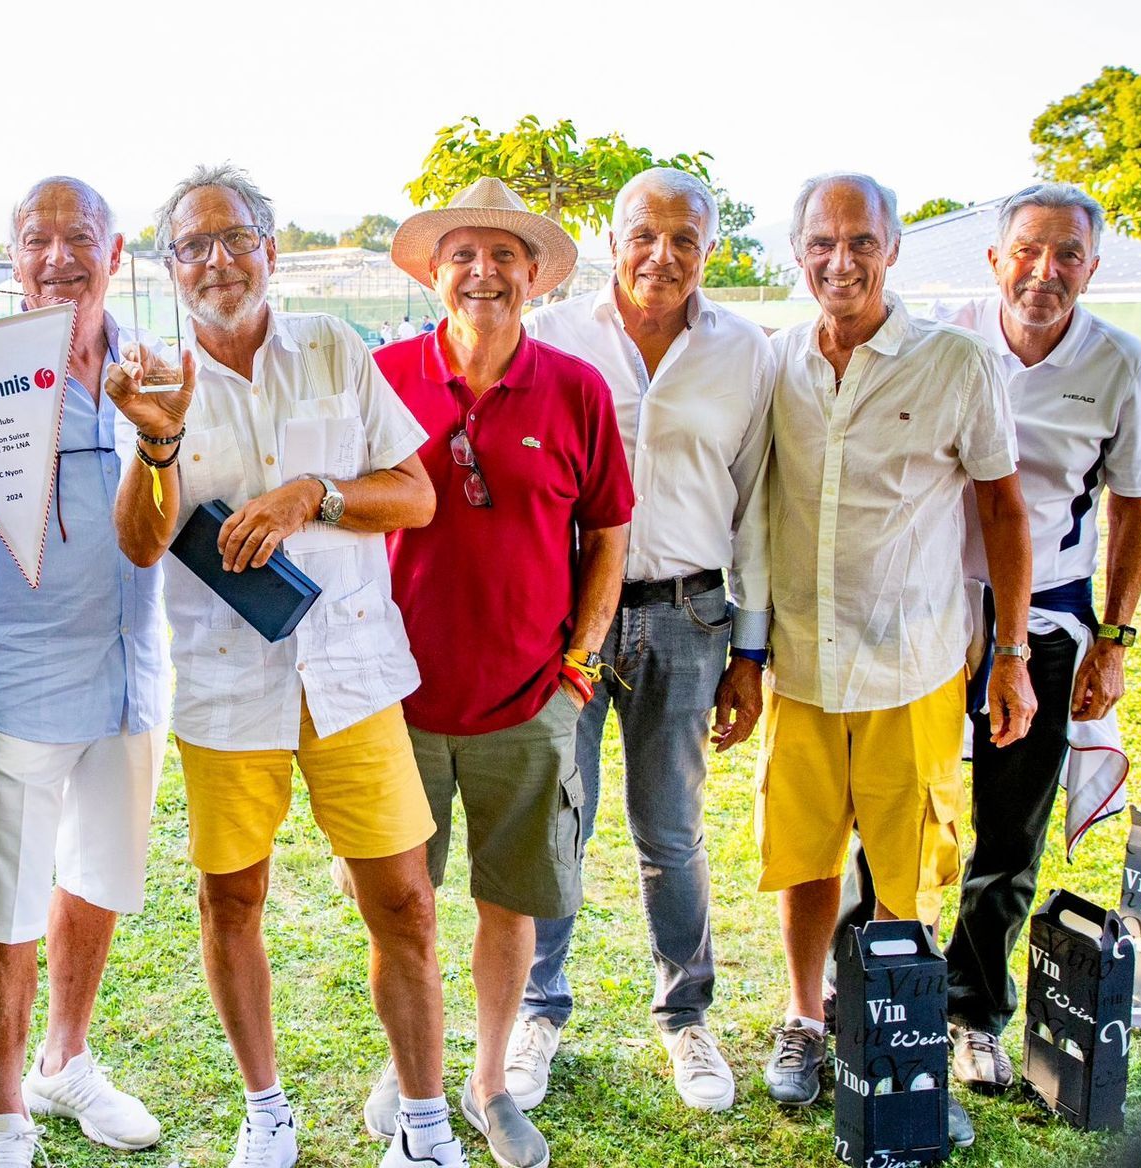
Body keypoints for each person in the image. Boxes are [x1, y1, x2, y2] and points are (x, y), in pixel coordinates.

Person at [108, 163, 460, 1168]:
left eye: (235, 239)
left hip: (350, 672)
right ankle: (266, 1112)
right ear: (169, 267)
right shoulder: (154, 377)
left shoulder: (333, 349)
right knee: (232, 902)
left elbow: (416, 497)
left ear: (270, 247)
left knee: (403, 902)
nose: (217, 261)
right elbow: (140, 544)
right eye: (193, 246)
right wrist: (162, 441)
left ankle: (427, 1129)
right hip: (226, 688)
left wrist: (315, 495)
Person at [844, 183, 1141, 1094]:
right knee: (894, 807)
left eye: (1067, 256)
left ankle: (975, 1010)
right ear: (995, 258)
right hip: (927, 606)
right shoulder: (942, 336)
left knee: (1007, 828)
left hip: (1049, 617)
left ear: (1093, 268)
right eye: (1028, 250)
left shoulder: (1124, 366)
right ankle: (868, 987)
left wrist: (1115, 636)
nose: (1044, 272)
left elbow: (1136, 507)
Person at [0, 177, 171, 1168]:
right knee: (6, 895)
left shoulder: (149, 362)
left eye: (78, 237)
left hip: (132, 668)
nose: (58, 256)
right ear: (11, 253)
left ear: (116, 248)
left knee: (96, 875)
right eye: (37, 239)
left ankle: (66, 1059)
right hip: (19, 670)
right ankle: (4, 1111)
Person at [760, 173, 1035, 1150]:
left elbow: (1003, 508)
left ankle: (897, 1033)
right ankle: (803, 1017)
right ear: (799, 253)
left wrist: (1011, 654)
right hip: (798, 661)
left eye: (861, 239)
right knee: (803, 856)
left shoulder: (954, 362)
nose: (842, 259)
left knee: (906, 870)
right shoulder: (777, 361)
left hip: (912, 666)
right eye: (823, 242)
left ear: (894, 246)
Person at [368, 176, 632, 1167]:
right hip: (395, 701)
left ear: (533, 276)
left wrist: (580, 658)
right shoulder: (383, 375)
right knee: (403, 905)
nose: (483, 272)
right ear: (435, 273)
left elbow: (608, 530)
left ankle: (486, 1081)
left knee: (507, 904)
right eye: (463, 255)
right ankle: (411, 1065)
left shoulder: (577, 390)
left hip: (528, 700)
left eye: (504, 256)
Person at [514, 168, 774, 1113]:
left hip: (690, 613)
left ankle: (687, 1019)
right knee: (554, 820)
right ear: (612, 236)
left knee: (671, 828)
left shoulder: (748, 353)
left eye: (685, 238)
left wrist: (750, 650)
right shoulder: (550, 338)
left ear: (712, 247)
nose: (662, 256)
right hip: (567, 620)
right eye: (644, 234)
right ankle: (537, 1012)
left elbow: (756, 509)